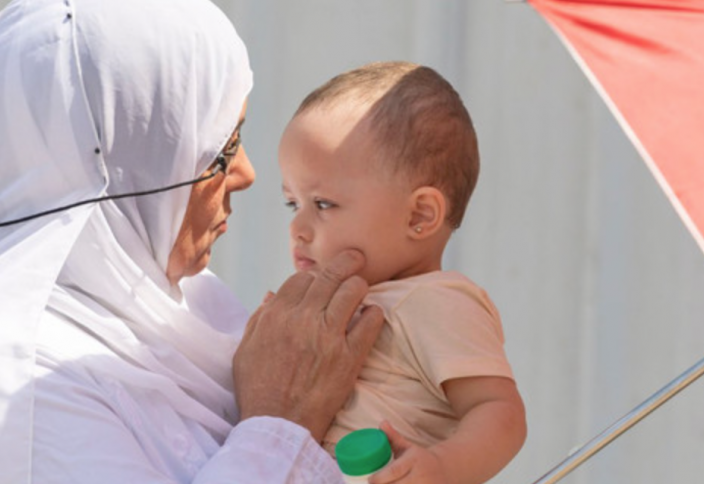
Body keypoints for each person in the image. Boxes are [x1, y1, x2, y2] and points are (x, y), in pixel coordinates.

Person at [0, 0, 384, 483]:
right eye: (221, 151)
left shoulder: (192, 306)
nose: (246, 173)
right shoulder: (28, 393)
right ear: (129, 172)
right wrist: (281, 422)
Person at [278, 61, 527, 483]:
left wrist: (444, 467)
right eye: (292, 203)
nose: (298, 229)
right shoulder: (336, 303)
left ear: (419, 215)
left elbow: (499, 411)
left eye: (323, 204)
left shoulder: (437, 302)